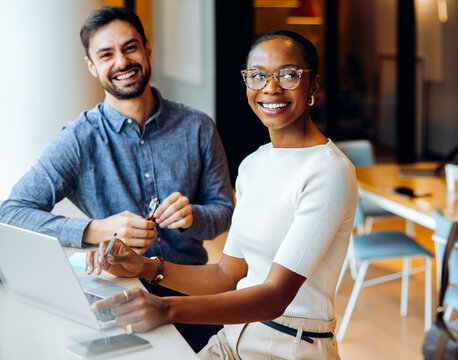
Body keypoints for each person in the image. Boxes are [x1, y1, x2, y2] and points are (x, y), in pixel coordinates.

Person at [86, 30, 358, 359]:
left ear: (312, 84)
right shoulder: (254, 165)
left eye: (288, 74)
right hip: (230, 339)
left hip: (290, 347)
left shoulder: (329, 170)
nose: (270, 88)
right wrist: (143, 267)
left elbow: (274, 297)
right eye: (257, 76)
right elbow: (226, 275)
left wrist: (166, 309)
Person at [0, 6, 233, 350]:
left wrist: (193, 217)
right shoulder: (79, 138)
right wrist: (97, 229)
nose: (122, 62)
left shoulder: (198, 127)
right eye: (107, 54)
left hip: (191, 293)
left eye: (130, 47)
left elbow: (224, 212)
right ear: (92, 67)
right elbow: (12, 212)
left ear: (148, 49)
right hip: (120, 294)